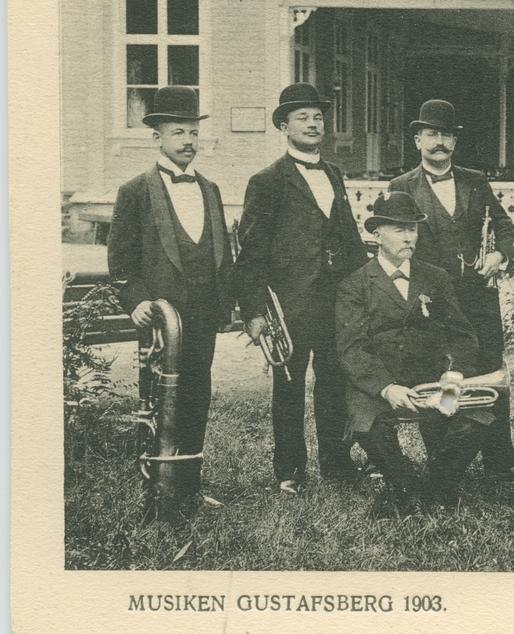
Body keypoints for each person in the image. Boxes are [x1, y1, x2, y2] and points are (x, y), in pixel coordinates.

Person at [387, 99, 514, 480]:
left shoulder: (475, 180)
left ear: (455, 142)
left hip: (478, 298)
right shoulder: (401, 186)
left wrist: (499, 254)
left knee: (489, 375)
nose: (439, 142)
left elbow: (504, 225)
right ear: (417, 140)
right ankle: (446, 459)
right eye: (431, 134)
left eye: (446, 135)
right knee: (439, 375)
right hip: (429, 302)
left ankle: (501, 462)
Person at [235, 83, 369, 494]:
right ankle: (289, 470)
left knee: (335, 383)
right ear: (284, 126)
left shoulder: (333, 173)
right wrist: (254, 310)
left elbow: (348, 237)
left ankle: (337, 464)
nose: (312, 124)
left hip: (336, 299)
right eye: (302, 118)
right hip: (291, 304)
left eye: (318, 117)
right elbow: (252, 252)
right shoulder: (267, 181)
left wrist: (367, 290)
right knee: (289, 388)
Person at [108, 86, 234, 512]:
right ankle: (154, 488)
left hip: (202, 314)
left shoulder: (210, 188)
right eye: (178, 132)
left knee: (197, 395)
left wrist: (225, 304)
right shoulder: (135, 191)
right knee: (158, 400)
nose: (188, 141)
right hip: (161, 318)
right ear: (156, 137)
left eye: (193, 132)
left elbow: (221, 252)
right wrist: (135, 301)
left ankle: (189, 485)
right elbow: (121, 261)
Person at [336, 192, 488, 518]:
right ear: (376, 234)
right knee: (368, 428)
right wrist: (386, 388)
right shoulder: (354, 284)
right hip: (382, 383)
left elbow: (462, 335)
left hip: (431, 380)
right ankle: (405, 484)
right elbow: (351, 347)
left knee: (477, 419)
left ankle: (438, 485)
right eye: (399, 229)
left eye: (413, 229)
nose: (408, 237)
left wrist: (453, 377)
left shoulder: (435, 277)